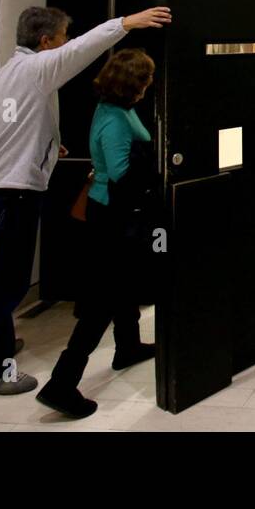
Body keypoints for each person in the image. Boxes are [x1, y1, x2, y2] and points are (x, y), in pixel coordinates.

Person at [0, 5, 172, 395]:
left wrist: (46, 147)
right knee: (7, 284)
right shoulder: (35, 68)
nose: (65, 42)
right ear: (46, 41)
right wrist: (126, 23)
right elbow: (82, 49)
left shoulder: (7, 75)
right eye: (62, 36)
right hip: (15, 192)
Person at [37, 49, 159, 419]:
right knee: (103, 300)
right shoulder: (118, 121)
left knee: (120, 285)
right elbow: (123, 175)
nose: (148, 85)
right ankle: (62, 382)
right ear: (134, 85)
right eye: (145, 79)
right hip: (112, 216)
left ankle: (128, 346)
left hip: (109, 212)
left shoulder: (113, 111)